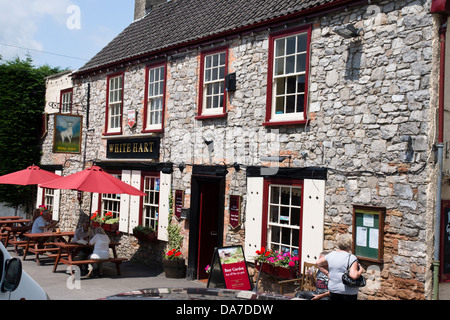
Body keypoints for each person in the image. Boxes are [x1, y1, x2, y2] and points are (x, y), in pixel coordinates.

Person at [316, 233, 365, 300]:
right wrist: (360, 271)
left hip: (333, 290)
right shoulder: (351, 258)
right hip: (348, 292)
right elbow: (353, 275)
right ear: (349, 245)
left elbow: (318, 263)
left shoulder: (331, 255)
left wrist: (327, 273)